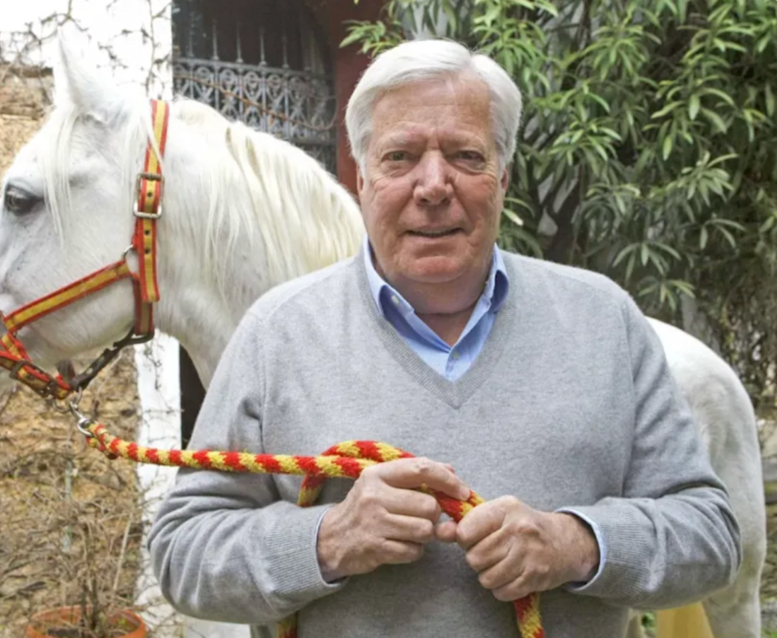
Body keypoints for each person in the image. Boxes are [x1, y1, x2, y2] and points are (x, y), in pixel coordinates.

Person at [147, 39, 740, 637]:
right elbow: (182, 554)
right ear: (362, 177)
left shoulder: (604, 321)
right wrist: (329, 539)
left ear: (503, 176)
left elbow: (710, 533)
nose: (433, 185)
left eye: (465, 155)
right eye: (400, 157)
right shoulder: (276, 334)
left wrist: (577, 544)